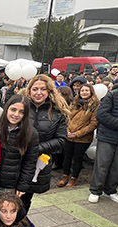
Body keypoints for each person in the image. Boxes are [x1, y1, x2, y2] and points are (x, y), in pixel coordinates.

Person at [22, 74, 69, 211]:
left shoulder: (57, 112)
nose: (38, 93)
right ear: (29, 90)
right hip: (17, 160)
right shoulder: (21, 106)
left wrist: (36, 148)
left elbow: (61, 140)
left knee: (25, 200)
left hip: (39, 163)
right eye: (35, 89)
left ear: (49, 91)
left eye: (43, 89)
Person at [0, 95, 39, 197]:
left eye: (21, 112)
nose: (16, 114)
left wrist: (23, 185)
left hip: (10, 184)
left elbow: (30, 162)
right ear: (6, 109)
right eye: (13, 109)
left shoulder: (31, 133)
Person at [57, 84, 99, 188]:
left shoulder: (95, 106)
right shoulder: (74, 104)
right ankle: (65, 176)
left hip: (83, 138)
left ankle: (73, 178)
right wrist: (67, 131)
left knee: (77, 158)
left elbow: (93, 124)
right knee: (67, 157)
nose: (84, 92)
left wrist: (77, 134)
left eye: (86, 90)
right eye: (82, 90)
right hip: (69, 135)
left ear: (91, 92)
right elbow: (67, 118)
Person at [88, 89, 118, 203]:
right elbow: (101, 115)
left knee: (117, 167)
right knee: (102, 165)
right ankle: (95, 190)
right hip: (107, 137)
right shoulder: (112, 95)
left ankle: (111, 190)